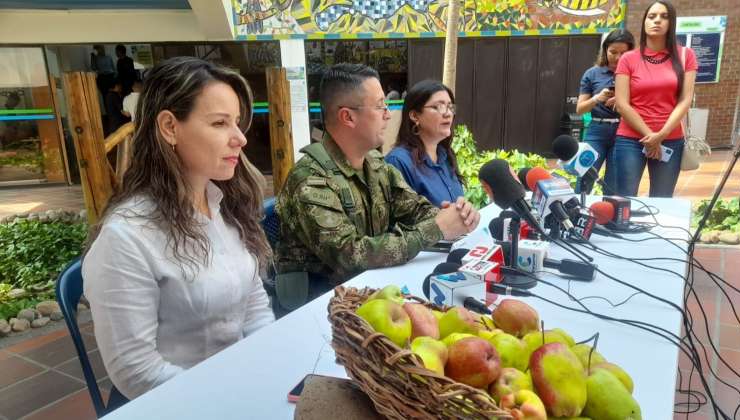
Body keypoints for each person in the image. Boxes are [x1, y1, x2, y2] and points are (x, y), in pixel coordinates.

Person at [83, 57, 274, 401]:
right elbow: (135, 371)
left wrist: (267, 370)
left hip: (240, 388)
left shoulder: (224, 206)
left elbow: (255, 304)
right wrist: (229, 398)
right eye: (219, 123)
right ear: (170, 127)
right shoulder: (126, 238)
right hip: (177, 402)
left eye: (237, 123)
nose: (240, 139)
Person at [275, 63, 480, 300]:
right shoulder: (310, 179)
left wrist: (454, 216)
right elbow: (350, 255)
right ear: (348, 117)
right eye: (380, 106)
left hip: (368, 291)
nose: (389, 114)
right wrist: (436, 228)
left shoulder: (374, 164)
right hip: (319, 306)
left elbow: (414, 208)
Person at [613, 0, 697, 197]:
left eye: (664, 16)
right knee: (623, 199)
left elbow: (685, 100)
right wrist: (651, 137)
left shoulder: (686, 55)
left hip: (670, 139)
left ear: (672, 22)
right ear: (644, 22)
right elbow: (622, 104)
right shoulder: (628, 58)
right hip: (631, 139)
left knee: (662, 198)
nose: (657, 20)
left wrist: (661, 135)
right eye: (652, 16)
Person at [385, 79, 464, 207]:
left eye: (450, 107)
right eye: (438, 107)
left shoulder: (445, 155)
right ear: (415, 116)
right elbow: (398, 223)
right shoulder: (398, 162)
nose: (448, 113)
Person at [575, 29, 635, 195]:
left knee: (613, 184)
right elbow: (580, 109)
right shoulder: (592, 73)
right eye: (613, 52)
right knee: (585, 176)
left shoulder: (636, 74)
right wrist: (597, 98)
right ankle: (575, 216)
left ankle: (609, 218)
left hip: (624, 131)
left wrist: (622, 99)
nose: (618, 57)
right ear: (605, 50)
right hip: (597, 131)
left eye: (624, 53)